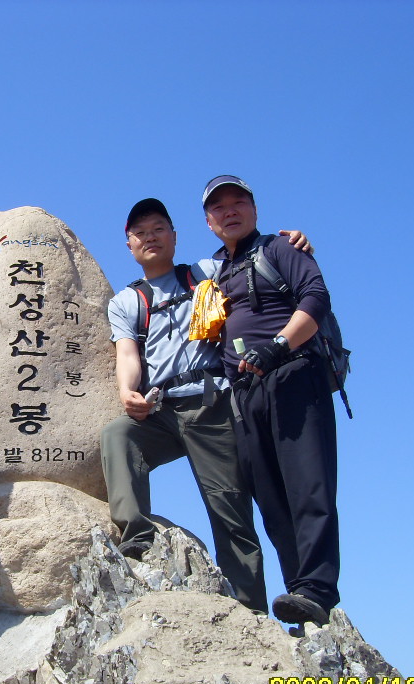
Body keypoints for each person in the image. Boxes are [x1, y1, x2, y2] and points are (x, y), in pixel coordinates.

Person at [101, 199, 313, 614]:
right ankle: (137, 538)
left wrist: (289, 243)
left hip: (213, 404)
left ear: (175, 236)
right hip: (161, 409)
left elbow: (249, 257)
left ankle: (249, 609)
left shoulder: (206, 273)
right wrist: (128, 392)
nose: (150, 237)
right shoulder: (127, 301)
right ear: (128, 245)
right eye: (140, 232)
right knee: (118, 435)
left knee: (229, 510)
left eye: (158, 228)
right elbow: (127, 353)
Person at [203, 174, 340, 627]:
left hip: (293, 374)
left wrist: (279, 345)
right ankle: (299, 595)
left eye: (238, 202)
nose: (230, 211)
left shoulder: (280, 249)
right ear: (209, 222)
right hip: (245, 395)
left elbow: (316, 298)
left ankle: (317, 589)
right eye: (219, 207)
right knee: (272, 501)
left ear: (255, 209)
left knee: (308, 484)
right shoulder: (214, 273)